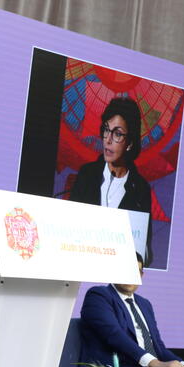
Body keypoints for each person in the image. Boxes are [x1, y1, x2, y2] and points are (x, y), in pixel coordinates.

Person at [69, 97, 153, 266]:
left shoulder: (141, 189)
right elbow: (67, 228)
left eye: (117, 134)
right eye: (106, 130)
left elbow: (145, 251)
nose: (107, 140)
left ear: (129, 143)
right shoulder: (87, 175)